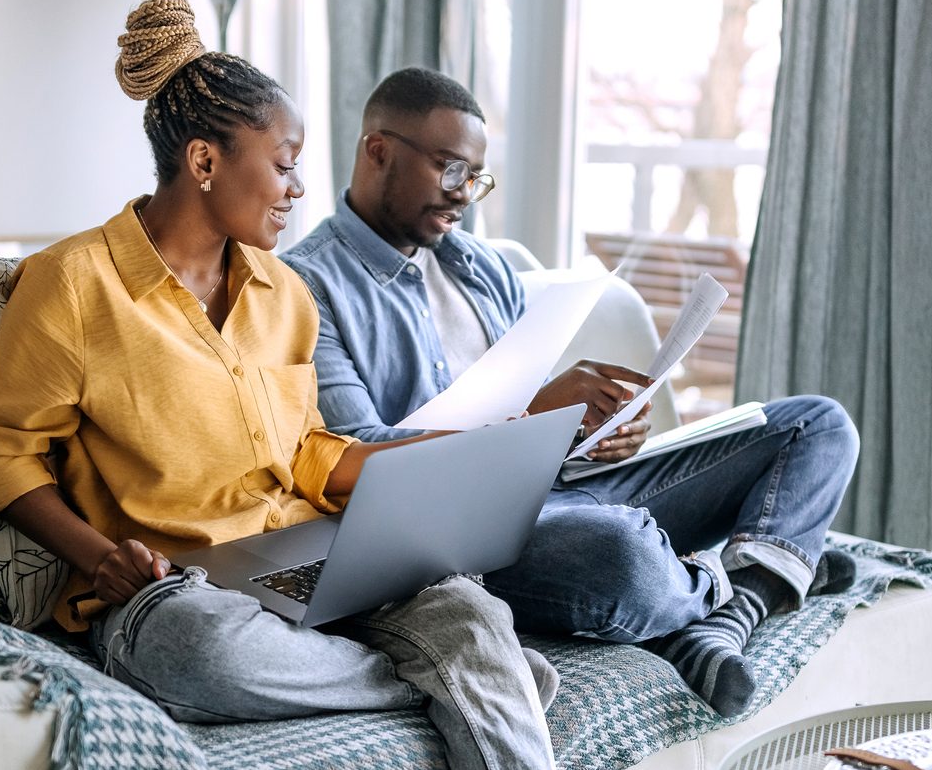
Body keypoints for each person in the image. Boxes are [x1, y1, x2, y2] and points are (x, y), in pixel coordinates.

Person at [0, 0, 559, 770]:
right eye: (284, 164)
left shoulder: (284, 291)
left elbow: (305, 448)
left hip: (306, 555)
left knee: (469, 610)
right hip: (177, 588)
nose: (301, 188)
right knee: (202, 654)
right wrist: (103, 560)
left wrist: (429, 462)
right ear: (204, 163)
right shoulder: (74, 283)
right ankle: (471, 682)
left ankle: (473, 666)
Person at [280, 67, 860, 717]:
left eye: (477, 177)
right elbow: (355, 458)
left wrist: (589, 433)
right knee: (622, 554)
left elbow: (535, 426)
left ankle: (722, 614)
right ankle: (759, 575)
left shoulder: (484, 267)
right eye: (450, 171)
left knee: (817, 425)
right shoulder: (303, 289)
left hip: (563, 492)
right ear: (378, 150)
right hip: (458, 537)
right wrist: (532, 417)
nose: (465, 195)